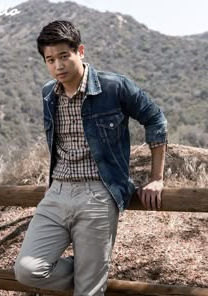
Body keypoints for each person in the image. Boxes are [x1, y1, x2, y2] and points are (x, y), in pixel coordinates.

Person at [14, 20, 167, 296]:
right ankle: (92, 267)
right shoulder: (48, 94)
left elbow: (155, 119)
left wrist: (157, 178)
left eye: (64, 56)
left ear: (79, 51)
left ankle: (93, 271)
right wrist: (51, 178)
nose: (58, 66)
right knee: (28, 270)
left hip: (99, 193)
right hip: (57, 193)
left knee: (89, 291)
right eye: (50, 60)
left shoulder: (114, 87)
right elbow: (58, 140)